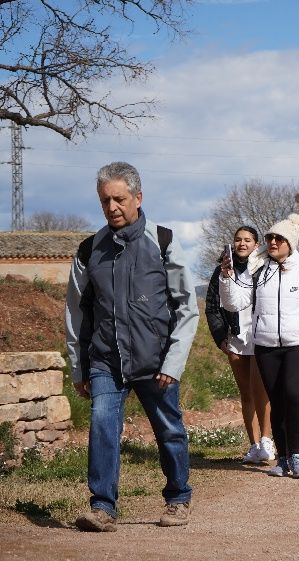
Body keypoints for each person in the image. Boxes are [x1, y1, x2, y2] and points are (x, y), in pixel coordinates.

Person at [65, 162, 199, 531]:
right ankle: (103, 508)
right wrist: (78, 367)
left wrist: (173, 363)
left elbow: (187, 307)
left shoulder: (164, 241)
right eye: (105, 200)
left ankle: (178, 498)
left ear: (138, 198)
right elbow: (75, 314)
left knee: (169, 430)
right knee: (102, 426)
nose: (112, 207)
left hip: (155, 362)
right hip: (106, 360)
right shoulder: (89, 249)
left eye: (119, 199)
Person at [219, 214, 299, 478]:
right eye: (270, 237)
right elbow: (234, 303)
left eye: (278, 238)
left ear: (290, 243)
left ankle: (295, 454)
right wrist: (227, 278)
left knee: (293, 395)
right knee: (277, 400)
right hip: (265, 345)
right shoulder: (257, 268)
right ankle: (282, 459)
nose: (272, 242)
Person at [205, 226, 274, 464]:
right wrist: (220, 337)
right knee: (246, 394)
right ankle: (254, 445)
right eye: (238, 239)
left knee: (261, 391)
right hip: (235, 338)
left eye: (247, 240)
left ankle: (267, 440)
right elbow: (212, 307)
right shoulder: (221, 271)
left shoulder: (265, 269)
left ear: (256, 245)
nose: (242, 243)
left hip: (260, 337)